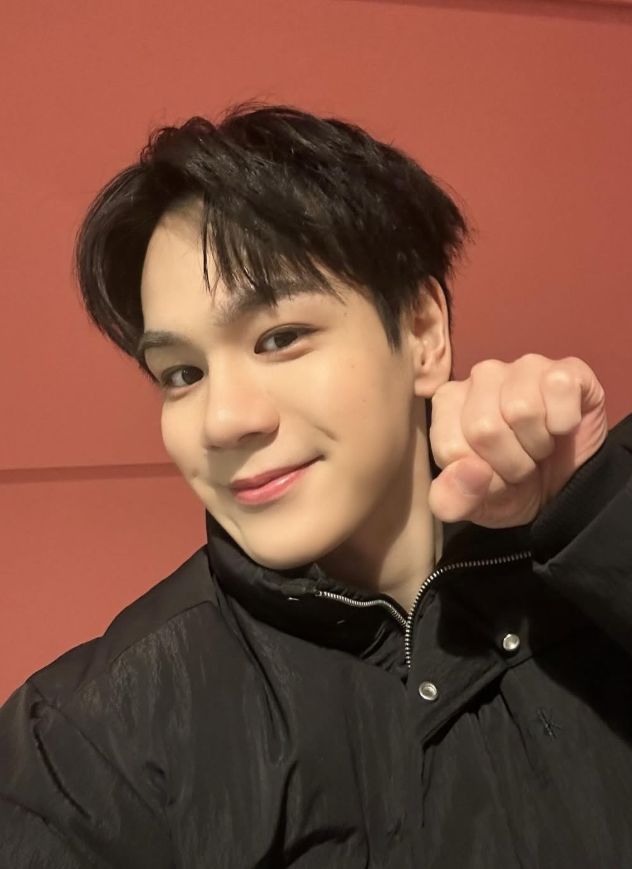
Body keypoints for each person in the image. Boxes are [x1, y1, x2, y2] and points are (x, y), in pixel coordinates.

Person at [0, 100, 630, 868]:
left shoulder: (598, 553)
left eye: (280, 337)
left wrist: (597, 513)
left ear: (423, 333)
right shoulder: (89, 741)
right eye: (183, 373)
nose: (223, 420)